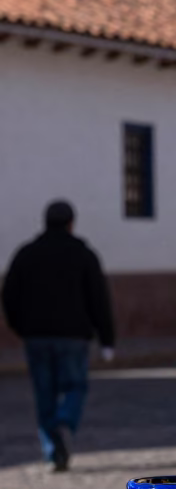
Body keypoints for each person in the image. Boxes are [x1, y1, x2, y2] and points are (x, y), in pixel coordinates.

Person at [1, 200, 115, 471]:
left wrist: (20, 326)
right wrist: (107, 339)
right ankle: (64, 418)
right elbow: (98, 298)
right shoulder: (82, 254)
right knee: (75, 385)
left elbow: (9, 295)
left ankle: (53, 451)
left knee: (44, 394)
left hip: (37, 337)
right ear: (71, 223)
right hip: (73, 337)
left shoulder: (27, 254)